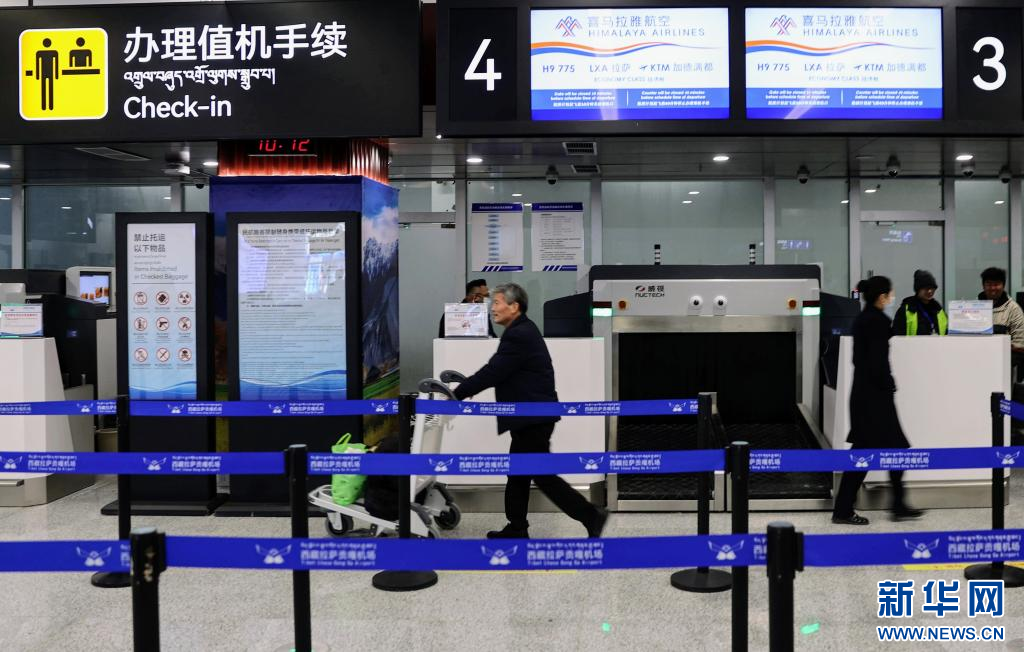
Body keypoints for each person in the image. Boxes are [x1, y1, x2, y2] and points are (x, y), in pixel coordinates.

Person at [452, 282, 608, 539]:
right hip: (530, 416)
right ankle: (517, 527)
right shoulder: (521, 330)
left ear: (514, 306)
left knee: (542, 475)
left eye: (497, 302)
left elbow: (494, 371)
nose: (493, 308)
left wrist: (458, 393)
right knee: (518, 472)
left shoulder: (519, 335)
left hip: (533, 418)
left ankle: (590, 515)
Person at [832, 276, 924, 525]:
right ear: (882, 296)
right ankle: (844, 509)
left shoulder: (864, 319)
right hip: (875, 399)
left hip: (866, 396)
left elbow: (860, 360)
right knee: (866, 452)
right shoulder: (877, 322)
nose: (891, 298)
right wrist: (888, 382)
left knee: (890, 449)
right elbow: (877, 361)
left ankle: (897, 505)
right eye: (889, 294)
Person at [980, 267, 1024, 353]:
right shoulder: (973, 308)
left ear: (1003, 286)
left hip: (1005, 357)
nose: (993, 288)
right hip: (976, 355)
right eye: (989, 284)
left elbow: (1020, 344)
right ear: (983, 286)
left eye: (996, 284)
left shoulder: (1014, 309)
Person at [892, 270, 947, 336]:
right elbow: (897, 337)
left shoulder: (939, 310)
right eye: (926, 288)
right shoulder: (906, 310)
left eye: (932, 288)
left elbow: (947, 332)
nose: (930, 291)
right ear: (918, 289)